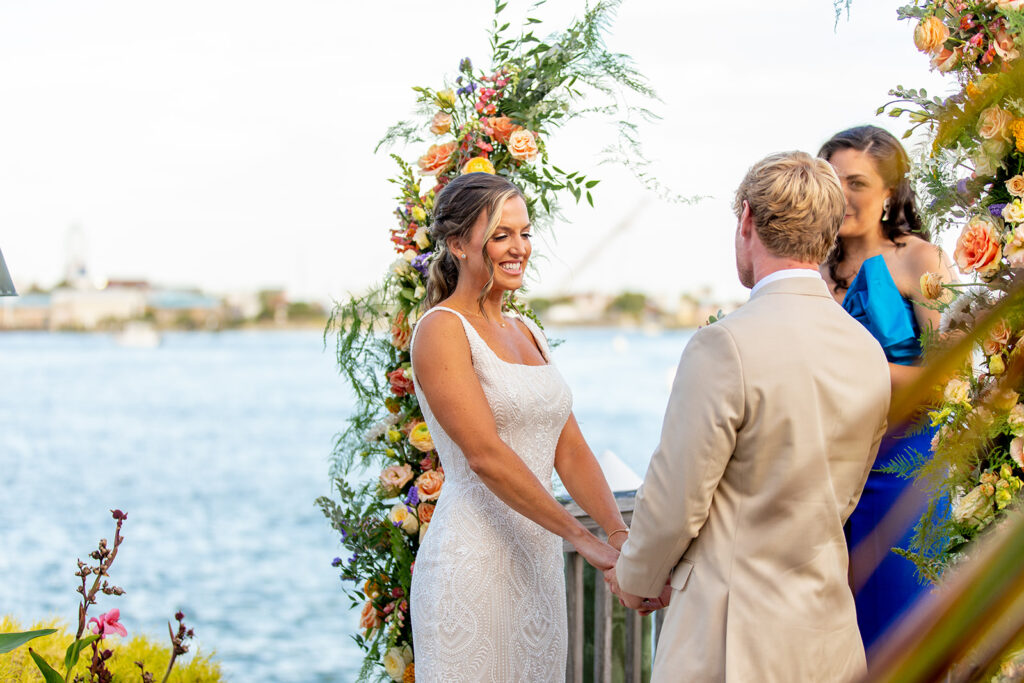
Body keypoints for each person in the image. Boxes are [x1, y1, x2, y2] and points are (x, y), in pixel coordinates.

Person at [605, 151, 891, 681]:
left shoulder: (725, 345)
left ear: (747, 220)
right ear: (829, 234)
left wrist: (635, 577)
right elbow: (844, 496)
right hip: (827, 636)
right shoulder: (867, 351)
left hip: (731, 640)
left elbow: (676, 500)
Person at [408, 172, 626, 682]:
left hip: (539, 565)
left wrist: (618, 535)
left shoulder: (528, 330)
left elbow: (570, 449)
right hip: (472, 565)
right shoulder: (441, 329)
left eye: (525, 233)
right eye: (501, 235)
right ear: (458, 244)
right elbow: (484, 455)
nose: (519, 248)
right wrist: (583, 538)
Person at [819, 125, 957, 653]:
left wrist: (856, 366)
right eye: (832, 180)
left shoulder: (921, 260)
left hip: (903, 471)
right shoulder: (810, 268)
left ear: (890, 193)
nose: (842, 195)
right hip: (823, 476)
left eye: (857, 182)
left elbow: (954, 380)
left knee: (896, 631)